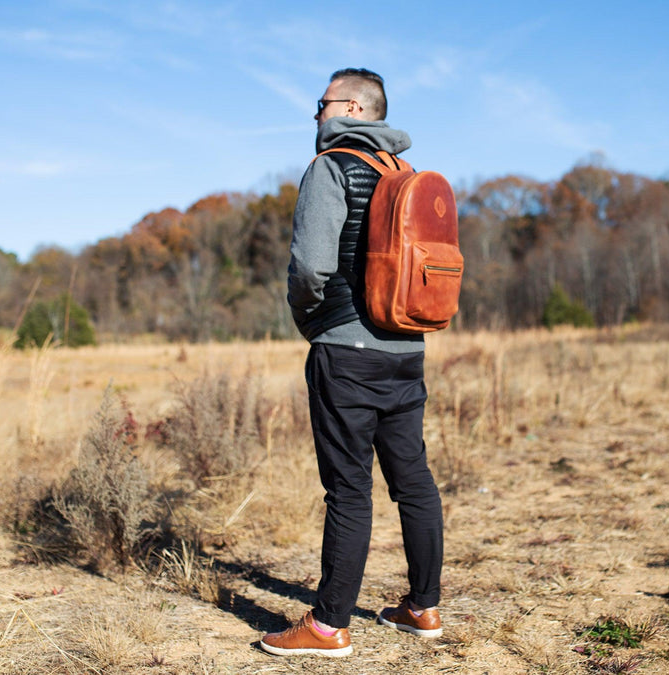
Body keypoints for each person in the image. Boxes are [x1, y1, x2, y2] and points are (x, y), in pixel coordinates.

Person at [259, 68, 444, 658]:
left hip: (346, 351)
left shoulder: (330, 167)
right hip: (406, 349)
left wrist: (311, 320)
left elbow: (311, 267)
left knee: (347, 489)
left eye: (321, 103)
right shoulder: (406, 174)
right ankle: (422, 607)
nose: (314, 114)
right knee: (413, 481)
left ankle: (329, 624)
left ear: (354, 110)